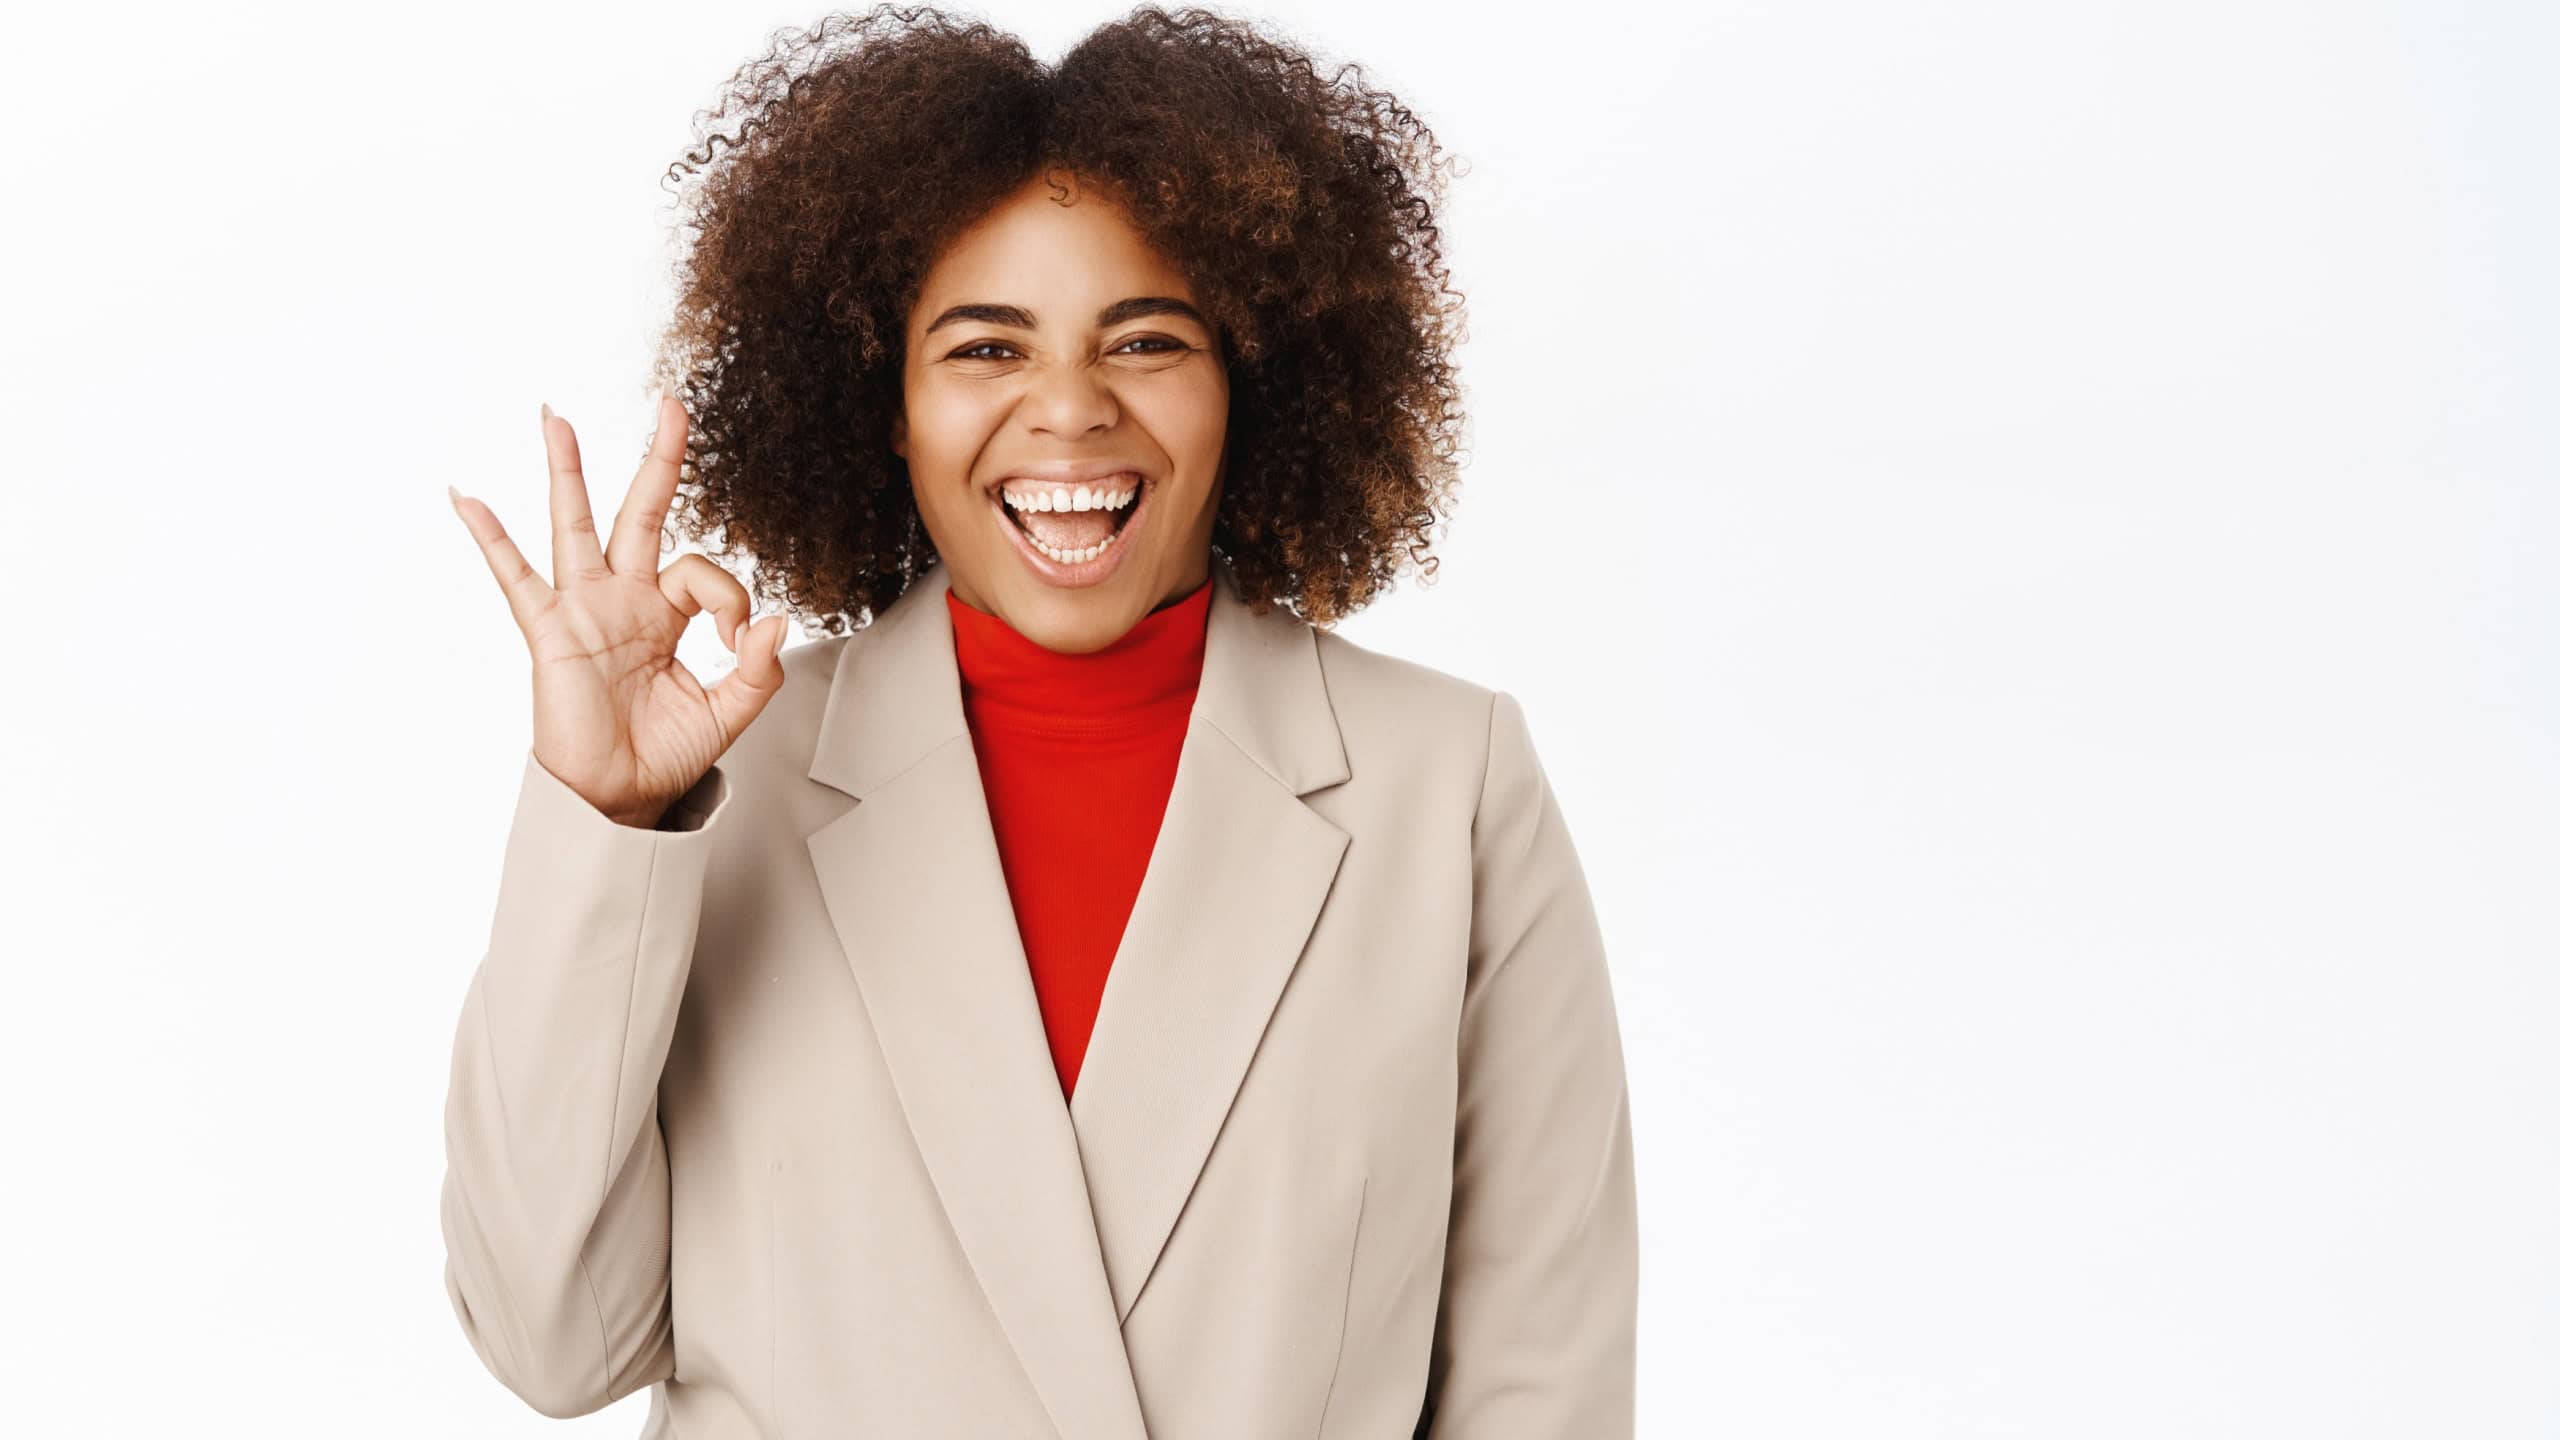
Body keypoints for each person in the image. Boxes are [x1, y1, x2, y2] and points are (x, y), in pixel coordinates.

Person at [438, 6, 1637, 1436]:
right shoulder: (722, 785)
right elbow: (550, 1344)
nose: (1068, 412)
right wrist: (606, 821)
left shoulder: (1447, 787)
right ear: (884, 399)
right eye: (985, 350)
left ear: (1246, 377)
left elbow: (1540, 1384)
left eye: (1145, 340)